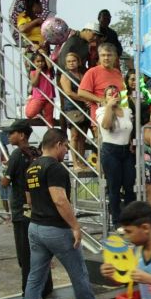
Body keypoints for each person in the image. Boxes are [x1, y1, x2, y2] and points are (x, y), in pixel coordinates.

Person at [22, 129, 111, 299]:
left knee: (35, 277)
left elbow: (29, 200)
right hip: (56, 229)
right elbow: (60, 200)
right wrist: (75, 226)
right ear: (58, 144)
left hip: (35, 227)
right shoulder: (55, 168)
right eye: (66, 148)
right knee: (78, 271)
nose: (66, 152)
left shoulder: (32, 167)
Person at [0, 119, 54, 299]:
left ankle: (28, 296)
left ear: (21, 135)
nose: (9, 136)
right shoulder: (36, 153)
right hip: (37, 210)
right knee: (41, 252)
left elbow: (5, 182)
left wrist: (4, 174)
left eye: (12, 133)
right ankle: (46, 289)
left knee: (25, 256)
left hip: (21, 211)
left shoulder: (16, 155)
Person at [97, 84, 136, 227]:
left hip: (125, 150)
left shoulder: (127, 111)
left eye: (116, 93)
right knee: (114, 187)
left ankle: (130, 218)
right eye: (109, 94)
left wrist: (131, 142)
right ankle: (117, 221)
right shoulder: (101, 110)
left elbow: (129, 128)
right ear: (105, 98)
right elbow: (106, 125)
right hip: (110, 151)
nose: (114, 95)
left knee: (129, 184)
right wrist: (109, 107)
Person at [58, 52, 91, 171]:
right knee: (75, 135)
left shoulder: (83, 75)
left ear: (78, 62)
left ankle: (81, 161)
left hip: (84, 108)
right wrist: (85, 98)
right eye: (69, 61)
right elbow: (69, 92)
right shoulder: (65, 75)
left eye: (73, 61)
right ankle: (75, 163)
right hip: (72, 108)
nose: (71, 63)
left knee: (83, 136)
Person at [77, 42, 125, 123]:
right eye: (103, 55)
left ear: (115, 56)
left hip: (118, 116)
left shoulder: (118, 72)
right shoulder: (92, 72)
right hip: (101, 116)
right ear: (99, 56)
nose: (106, 58)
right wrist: (101, 100)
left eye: (109, 55)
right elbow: (81, 92)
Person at [25, 52, 55, 125]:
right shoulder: (33, 72)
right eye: (38, 61)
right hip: (38, 98)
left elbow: (50, 66)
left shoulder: (48, 71)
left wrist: (42, 52)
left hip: (49, 98)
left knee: (49, 120)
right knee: (29, 114)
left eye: (42, 61)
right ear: (33, 62)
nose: (40, 63)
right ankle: (30, 102)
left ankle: (51, 133)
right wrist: (38, 73)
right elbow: (34, 84)